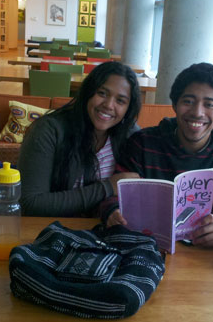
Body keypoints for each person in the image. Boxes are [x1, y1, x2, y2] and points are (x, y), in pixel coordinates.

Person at [103, 62, 213, 247]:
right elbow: (113, 192)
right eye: (188, 101)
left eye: (209, 104)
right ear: (174, 104)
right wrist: (113, 211)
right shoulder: (143, 143)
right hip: (145, 246)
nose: (197, 112)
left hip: (204, 253)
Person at [18, 61, 141, 217]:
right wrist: (107, 187)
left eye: (120, 101)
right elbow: (30, 204)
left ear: (128, 109)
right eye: (102, 93)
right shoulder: (48, 131)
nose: (109, 105)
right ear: (88, 92)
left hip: (103, 233)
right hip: (50, 231)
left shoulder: (130, 135)